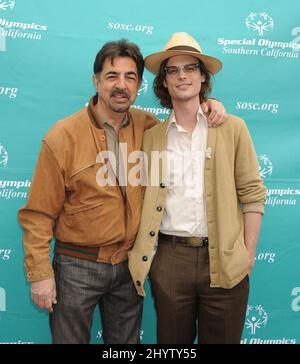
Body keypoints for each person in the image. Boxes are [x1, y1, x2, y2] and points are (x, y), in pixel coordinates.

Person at [18, 38, 227, 344]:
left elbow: (185, 119)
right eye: (112, 76)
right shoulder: (62, 136)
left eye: (131, 77)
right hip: (77, 267)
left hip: (131, 267)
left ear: (140, 84)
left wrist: (209, 106)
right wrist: (40, 274)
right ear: (96, 80)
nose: (121, 85)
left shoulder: (150, 129)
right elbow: (38, 214)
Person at [128, 32, 266, 344]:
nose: (181, 75)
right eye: (172, 70)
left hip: (225, 260)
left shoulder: (233, 128)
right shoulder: (151, 138)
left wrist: (247, 255)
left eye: (190, 67)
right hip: (170, 259)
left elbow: (253, 194)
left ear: (203, 76)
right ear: (163, 81)